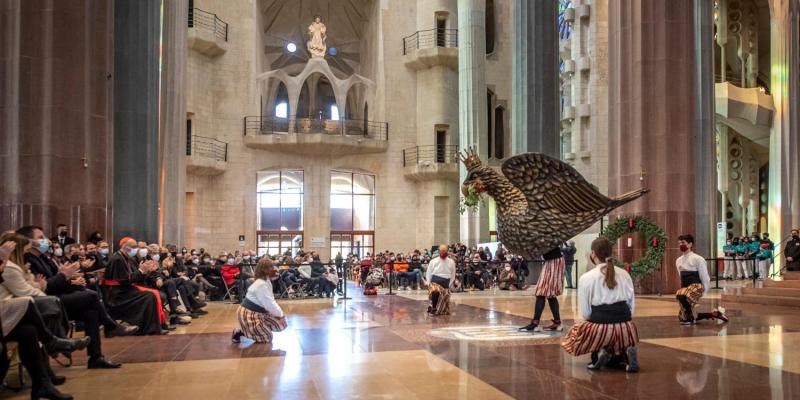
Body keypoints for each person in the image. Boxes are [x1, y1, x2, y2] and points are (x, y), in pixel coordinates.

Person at [16, 226, 136, 367]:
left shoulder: (43, 258)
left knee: (90, 313)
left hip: (59, 297)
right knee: (91, 295)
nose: (45, 240)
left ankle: (95, 358)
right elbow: (45, 288)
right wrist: (64, 276)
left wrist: (71, 280)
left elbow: (56, 280)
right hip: (47, 302)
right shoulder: (27, 260)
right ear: (28, 241)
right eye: (40, 237)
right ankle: (110, 325)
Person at [0, 239, 88, 400]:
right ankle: (52, 341)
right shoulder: (11, 267)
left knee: (29, 332)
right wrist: (4, 261)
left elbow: (35, 285)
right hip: (6, 312)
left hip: (9, 314)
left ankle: (43, 386)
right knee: (28, 303)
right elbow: (29, 291)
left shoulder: (22, 265)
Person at [562, 237, 640, 372]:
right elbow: (631, 302)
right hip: (626, 324)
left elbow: (586, 312)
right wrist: (626, 319)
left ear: (593, 254)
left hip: (601, 324)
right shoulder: (624, 274)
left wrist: (593, 322)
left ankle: (598, 354)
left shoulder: (586, 277)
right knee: (617, 334)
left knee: (577, 332)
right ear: (611, 253)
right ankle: (623, 356)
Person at [103, 237, 166, 335]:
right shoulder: (117, 259)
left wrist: (146, 271)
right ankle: (148, 329)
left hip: (124, 290)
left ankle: (149, 327)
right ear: (126, 247)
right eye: (134, 247)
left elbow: (132, 278)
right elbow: (125, 280)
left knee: (151, 295)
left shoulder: (125, 258)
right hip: (117, 294)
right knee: (149, 296)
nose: (136, 249)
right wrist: (141, 271)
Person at [675, 234, 729, 325]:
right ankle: (715, 314)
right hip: (685, 289)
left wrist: (704, 290)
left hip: (696, 286)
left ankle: (690, 317)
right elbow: (681, 276)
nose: (681, 245)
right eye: (679, 243)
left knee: (681, 295)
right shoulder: (678, 260)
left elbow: (704, 276)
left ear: (690, 244)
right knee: (683, 316)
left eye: (683, 243)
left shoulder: (698, 259)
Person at [231, 258, 287, 343]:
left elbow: (271, 300)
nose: (275, 270)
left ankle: (259, 329)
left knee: (280, 324)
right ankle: (240, 332)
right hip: (249, 314)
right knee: (266, 338)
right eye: (272, 268)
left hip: (260, 312)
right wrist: (281, 315)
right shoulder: (261, 284)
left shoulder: (266, 281)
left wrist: (280, 315)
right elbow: (269, 304)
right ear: (265, 270)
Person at [520, 247, 566, 332]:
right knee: (550, 294)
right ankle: (557, 322)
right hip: (553, 261)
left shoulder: (546, 236)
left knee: (541, 292)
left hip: (554, 261)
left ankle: (535, 324)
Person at [425, 244, 455, 315]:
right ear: (439, 251)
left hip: (446, 283)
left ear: (447, 251)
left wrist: (449, 285)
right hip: (435, 281)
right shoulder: (433, 261)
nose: (442, 252)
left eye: (444, 251)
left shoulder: (451, 262)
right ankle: (434, 308)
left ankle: (432, 306)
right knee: (435, 291)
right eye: (441, 251)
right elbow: (428, 272)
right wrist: (428, 283)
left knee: (444, 309)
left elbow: (453, 274)